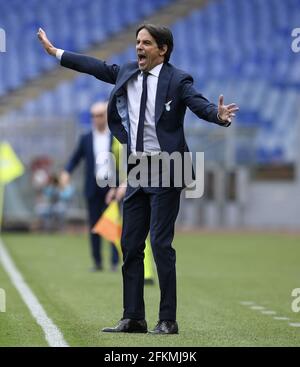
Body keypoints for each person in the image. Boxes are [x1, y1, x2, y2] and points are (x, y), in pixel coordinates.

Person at [37, 24, 239, 334]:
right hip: (137, 169)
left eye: (146, 43)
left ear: (163, 49)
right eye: (137, 42)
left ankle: (168, 320)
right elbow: (94, 66)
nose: (139, 47)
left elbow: (200, 104)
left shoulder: (178, 79)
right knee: (130, 244)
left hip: (168, 168)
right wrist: (56, 53)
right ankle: (133, 318)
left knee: (160, 243)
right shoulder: (127, 72)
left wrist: (218, 115)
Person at [60, 101, 119, 272]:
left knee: (113, 223)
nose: (96, 119)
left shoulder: (115, 137)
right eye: (93, 115)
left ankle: (115, 261)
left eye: (100, 115)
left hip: (110, 186)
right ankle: (97, 261)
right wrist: (66, 172)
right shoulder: (86, 138)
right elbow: (75, 158)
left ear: (106, 116)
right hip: (92, 186)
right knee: (94, 225)